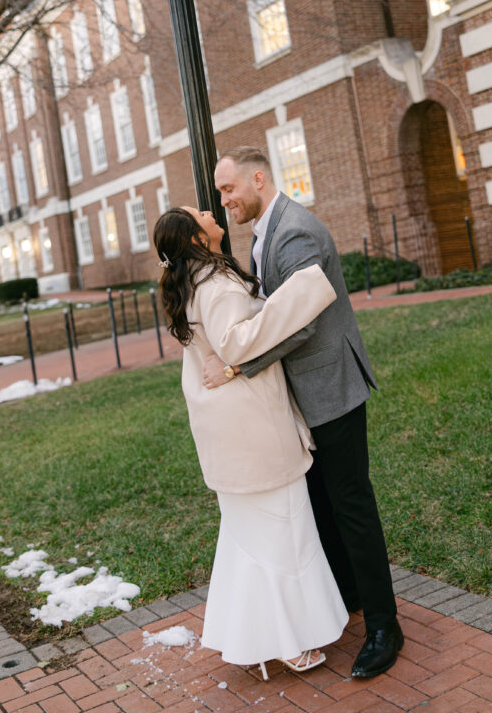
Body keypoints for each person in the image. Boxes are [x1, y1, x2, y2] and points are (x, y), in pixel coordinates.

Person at [205, 146, 402, 679]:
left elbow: (305, 319)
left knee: (352, 506)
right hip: (301, 395)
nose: (225, 201)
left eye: (229, 190)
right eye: (221, 193)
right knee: (323, 503)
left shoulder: (297, 232)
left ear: (259, 178)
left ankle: (385, 627)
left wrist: (239, 366)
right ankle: (350, 596)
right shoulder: (263, 231)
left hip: (330, 389)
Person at [153, 205, 348, 679]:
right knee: (283, 534)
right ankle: (287, 641)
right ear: (197, 239)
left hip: (233, 434)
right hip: (252, 431)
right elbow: (237, 344)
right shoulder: (215, 286)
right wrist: (300, 294)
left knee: (253, 540)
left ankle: (257, 637)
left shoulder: (197, 282)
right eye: (198, 213)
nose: (208, 210)